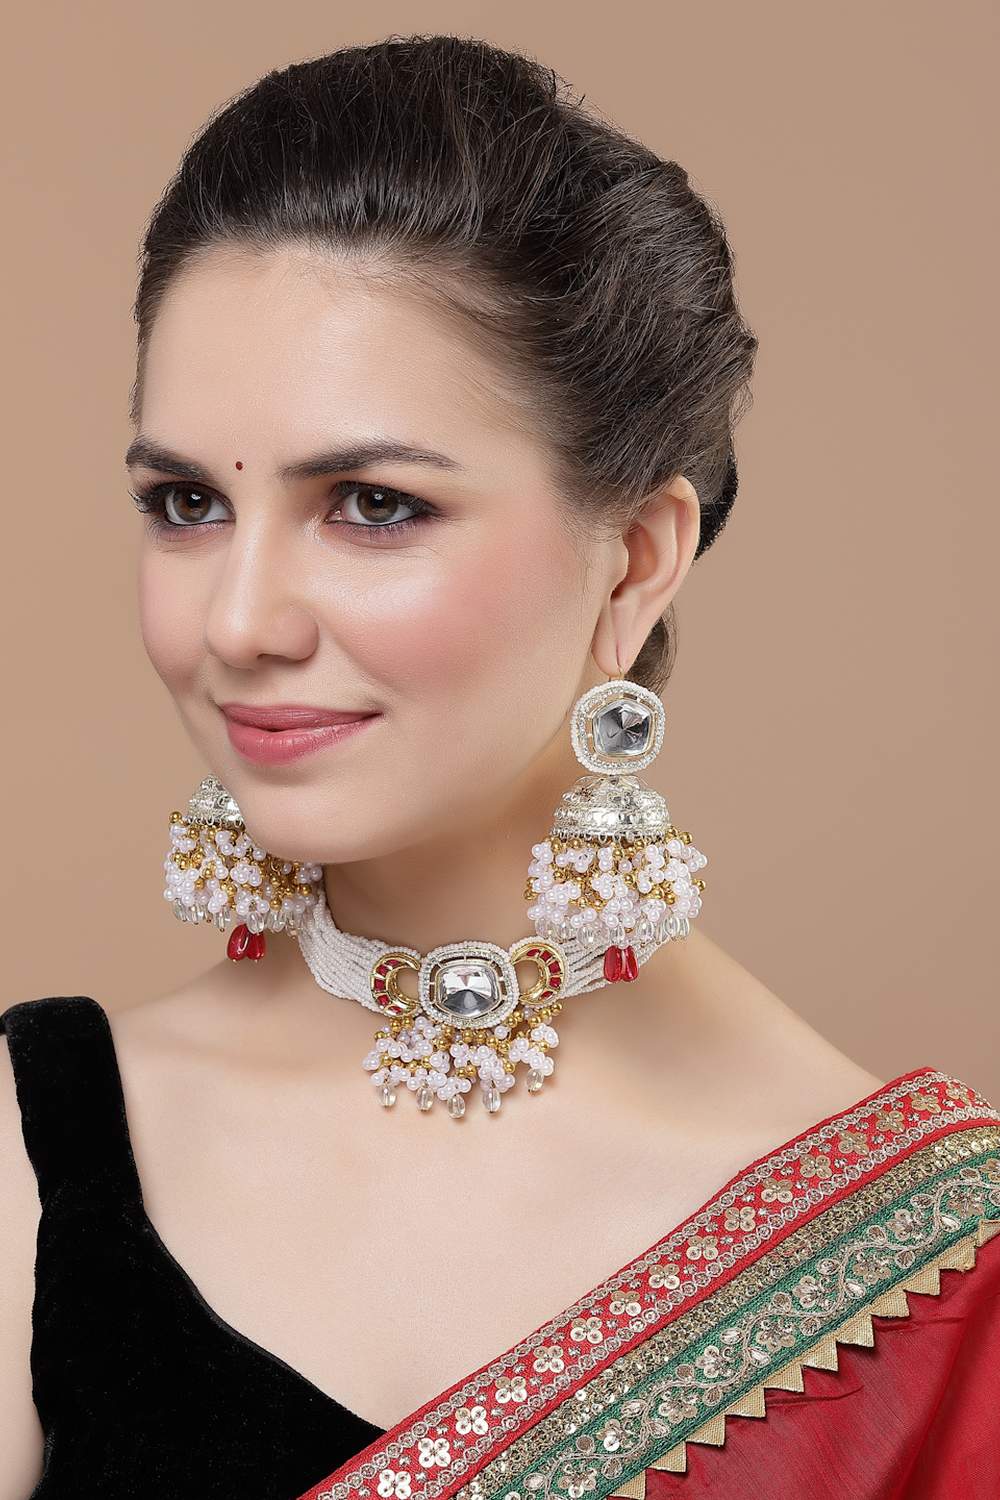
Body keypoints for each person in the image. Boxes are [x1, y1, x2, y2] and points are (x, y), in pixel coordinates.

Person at [1, 33, 997, 1500]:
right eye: (188, 503)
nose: (237, 623)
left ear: (636, 559)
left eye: (373, 504)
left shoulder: (942, 1282)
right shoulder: (35, 1147)